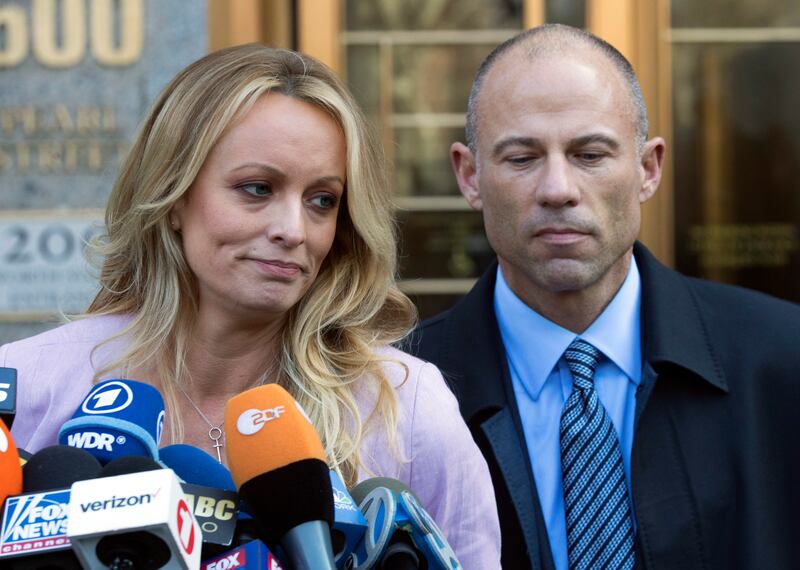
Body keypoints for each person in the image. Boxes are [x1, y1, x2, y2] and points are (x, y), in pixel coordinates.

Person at [0, 44, 501, 566]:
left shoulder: (405, 407)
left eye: (322, 200)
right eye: (257, 188)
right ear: (174, 198)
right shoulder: (28, 384)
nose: (292, 230)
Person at [409, 23, 800, 569]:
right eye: (521, 158)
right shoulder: (399, 394)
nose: (558, 189)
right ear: (470, 176)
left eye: (590, 154)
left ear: (648, 168)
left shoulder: (782, 362)